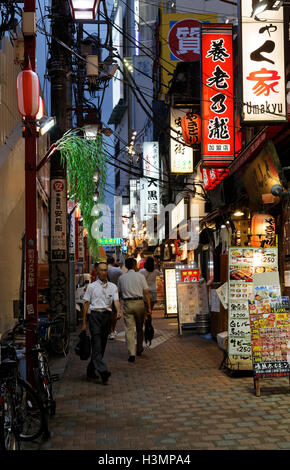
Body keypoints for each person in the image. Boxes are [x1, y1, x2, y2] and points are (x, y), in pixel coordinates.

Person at [82, 262, 121, 384]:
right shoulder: (91, 287)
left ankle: (90, 370)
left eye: (105, 270)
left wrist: (119, 311)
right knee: (97, 344)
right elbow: (86, 304)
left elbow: (116, 301)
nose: (103, 272)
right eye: (101, 270)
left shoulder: (113, 287)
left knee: (102, 346)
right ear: (97, 272)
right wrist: (84, 323)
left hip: (107, 317)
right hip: (94, 316)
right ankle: (103, 371)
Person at [118, 257, 151, 362]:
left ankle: (131, 353)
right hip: (139, 303)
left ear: (126, 266)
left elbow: (119, 294)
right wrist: (149, 307)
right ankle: (139, 348)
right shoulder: (140, 276)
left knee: (129, 329)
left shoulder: (121, 278)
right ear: (135, 265)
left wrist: (119, 307)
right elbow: (146, 293)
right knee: (140, 327)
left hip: (127, 304)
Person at [107, 256, 123, 340]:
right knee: (114, 313)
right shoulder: (118, 271)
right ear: (113, 262)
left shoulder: (103, 270)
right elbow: (122, 281)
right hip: (115, 293)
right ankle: (112, 330)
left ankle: (110, 331)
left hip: (105, 294)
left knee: (108, 313)